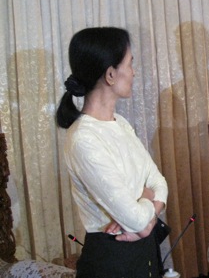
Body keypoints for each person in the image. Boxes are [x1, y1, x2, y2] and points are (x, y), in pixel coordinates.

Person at [56, 27, 168, 278]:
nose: (134, 72)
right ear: (110, 74)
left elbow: (160, 183)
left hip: (144, 253)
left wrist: (145, 205)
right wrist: (148, 202)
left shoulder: (120, 123)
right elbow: (137, 219)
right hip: (112, 260)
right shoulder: (84, 138)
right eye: (130, 64)